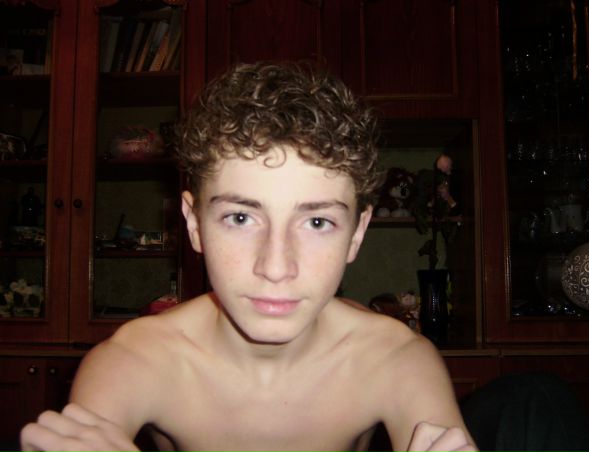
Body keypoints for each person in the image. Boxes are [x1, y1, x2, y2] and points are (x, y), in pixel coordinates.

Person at [20, 62, 476, 452]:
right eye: (240, 218)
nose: (275, 268)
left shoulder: (396, 360)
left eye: (317, 222)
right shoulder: (135, 361)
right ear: (194, 223)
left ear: (357, 233)